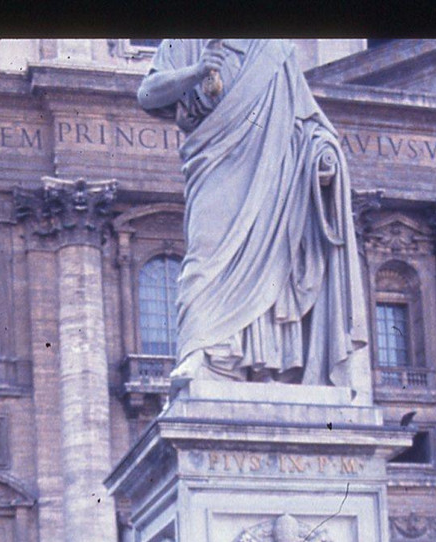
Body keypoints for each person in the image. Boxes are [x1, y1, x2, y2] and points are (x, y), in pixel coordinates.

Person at [137, 40, 368, 391]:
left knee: (274, 260)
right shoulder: (187, 39)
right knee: (206, 254)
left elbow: (309, 124)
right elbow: (148, 94)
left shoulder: (275, 49)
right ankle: (201, 349)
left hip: (272, 174)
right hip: (215, 163)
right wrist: (197, 71)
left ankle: (265, 362)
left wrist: (322, 155)